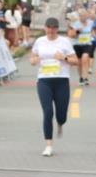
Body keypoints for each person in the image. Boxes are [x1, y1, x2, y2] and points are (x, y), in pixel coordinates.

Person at [30, 17, 78, 156]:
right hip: (44, 80)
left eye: (54, 28)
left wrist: (64, 58)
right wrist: (35, 60)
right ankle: (48, 145)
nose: (51, 30)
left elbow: (75, 61)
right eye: (49, 28)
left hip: (61, 80)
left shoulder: (64, 42)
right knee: (48, 112)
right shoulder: (40, 41)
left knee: (61, 115)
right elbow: (32, 59)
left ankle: (60, 123)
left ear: (57, 28)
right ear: (45, 28)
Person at [69, 9, 96, 87]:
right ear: (79, 17)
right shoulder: (75, 24)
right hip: (77, 44)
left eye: (85, 16)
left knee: (85, 58)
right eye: (82, 16)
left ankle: (86, 77)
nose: (83, 17)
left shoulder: (90, 23)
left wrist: (93, 34)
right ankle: (81, 77)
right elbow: (71, 35)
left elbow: (93, 31)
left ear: (87, 16)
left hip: (87, 44)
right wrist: (78, 31)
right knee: (79, 63)